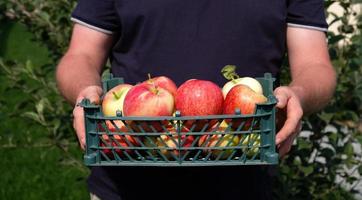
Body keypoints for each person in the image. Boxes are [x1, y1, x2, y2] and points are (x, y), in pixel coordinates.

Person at [56, 0, 336, 199]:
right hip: (125, 184)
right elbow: (80, 56)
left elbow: (316, 66)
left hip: (242, 184)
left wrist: (298, 95)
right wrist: (85, 92)